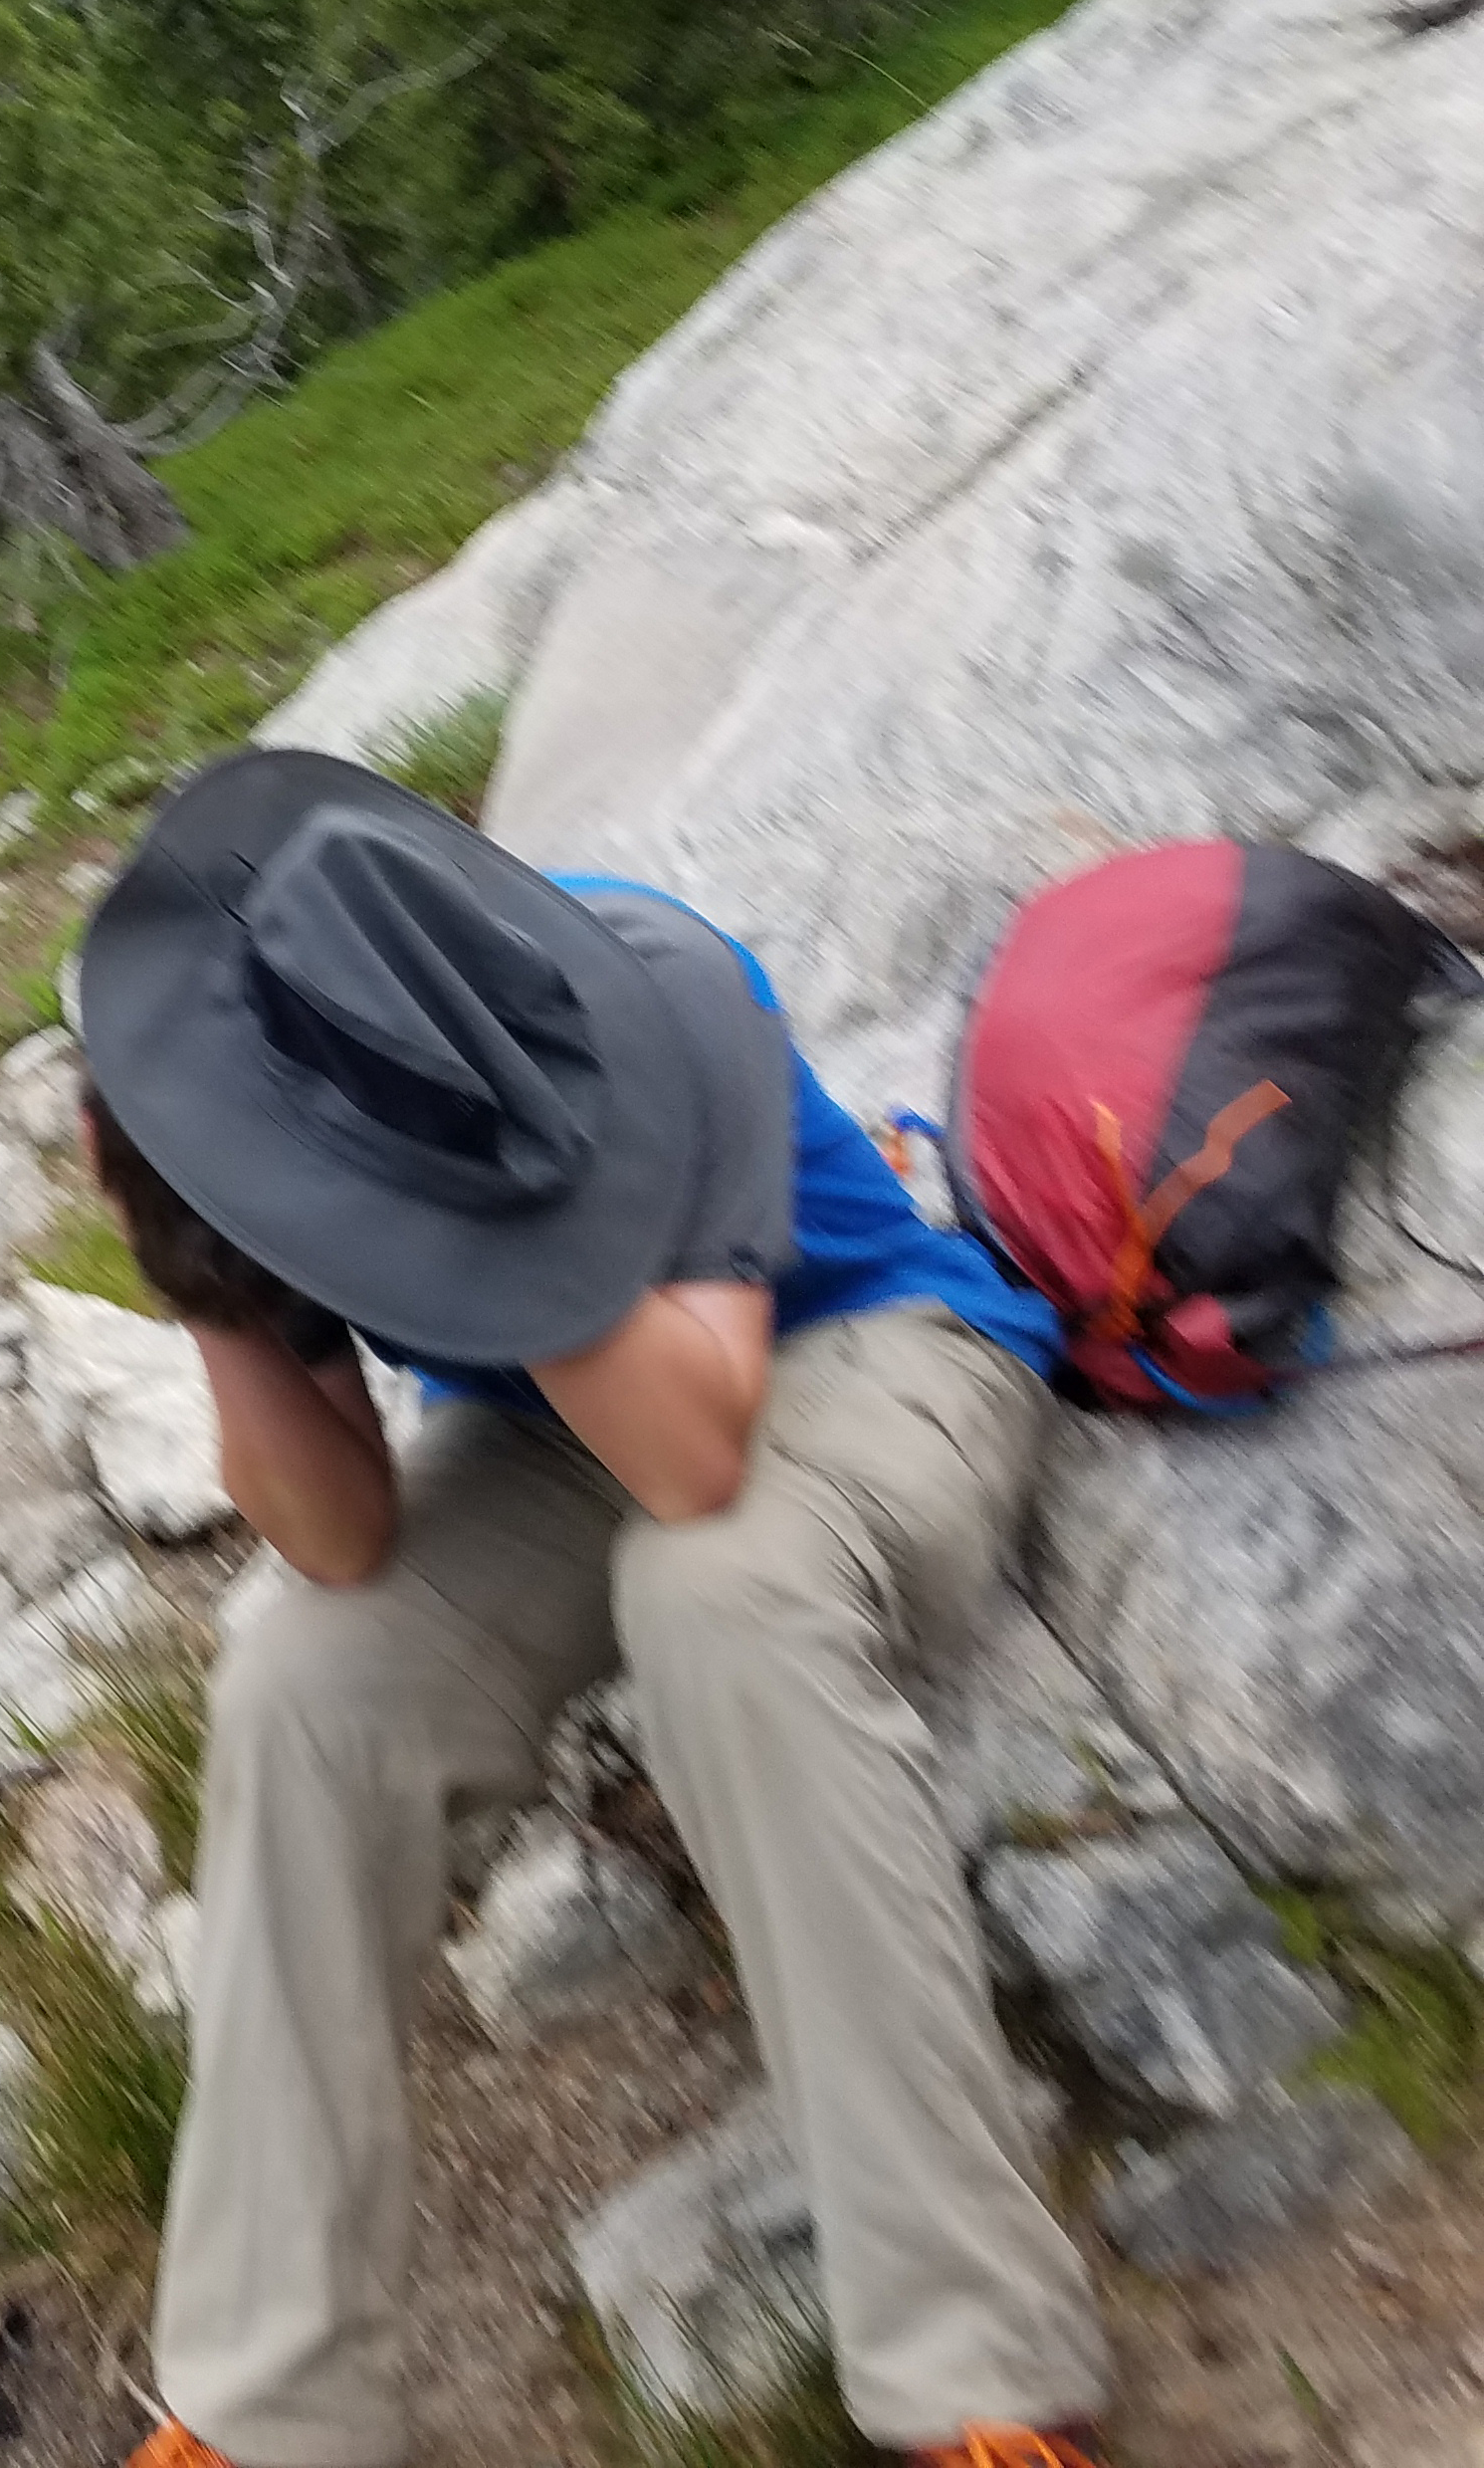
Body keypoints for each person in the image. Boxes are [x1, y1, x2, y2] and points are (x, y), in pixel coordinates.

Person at [77, 750, 1107, 2468]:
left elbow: (694, 1457)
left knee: (715, 1589)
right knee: (297, 1675)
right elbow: (334, 1539)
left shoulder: (663, 991)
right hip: (560, 1429)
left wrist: (472, 1167)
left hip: (853, 1351)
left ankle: (977, 2380)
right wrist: (201, 1260)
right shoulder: (273, 1095)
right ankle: (266, 2406)